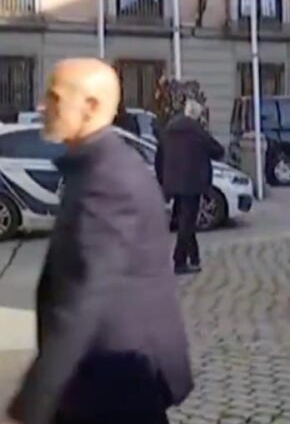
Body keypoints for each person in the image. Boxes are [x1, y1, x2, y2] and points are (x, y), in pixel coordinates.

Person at [5, 59, 192, 424]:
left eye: (55, 97)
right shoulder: (96, 166)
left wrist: (35, 399)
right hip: (106, 378)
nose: (43, 106)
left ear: (91, 106)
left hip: (115, 382)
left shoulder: (107, 180)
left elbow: (83, 296)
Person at [155, 99, 223, 275]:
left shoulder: (168, 129)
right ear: (197, 116)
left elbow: (159, 156)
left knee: (185, 221)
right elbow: (218, 151)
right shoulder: (197, 131)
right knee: (187, 222)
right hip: (192, 182)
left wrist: (163, 180)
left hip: (172, 182)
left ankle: (194, 257)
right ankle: (179, 260)